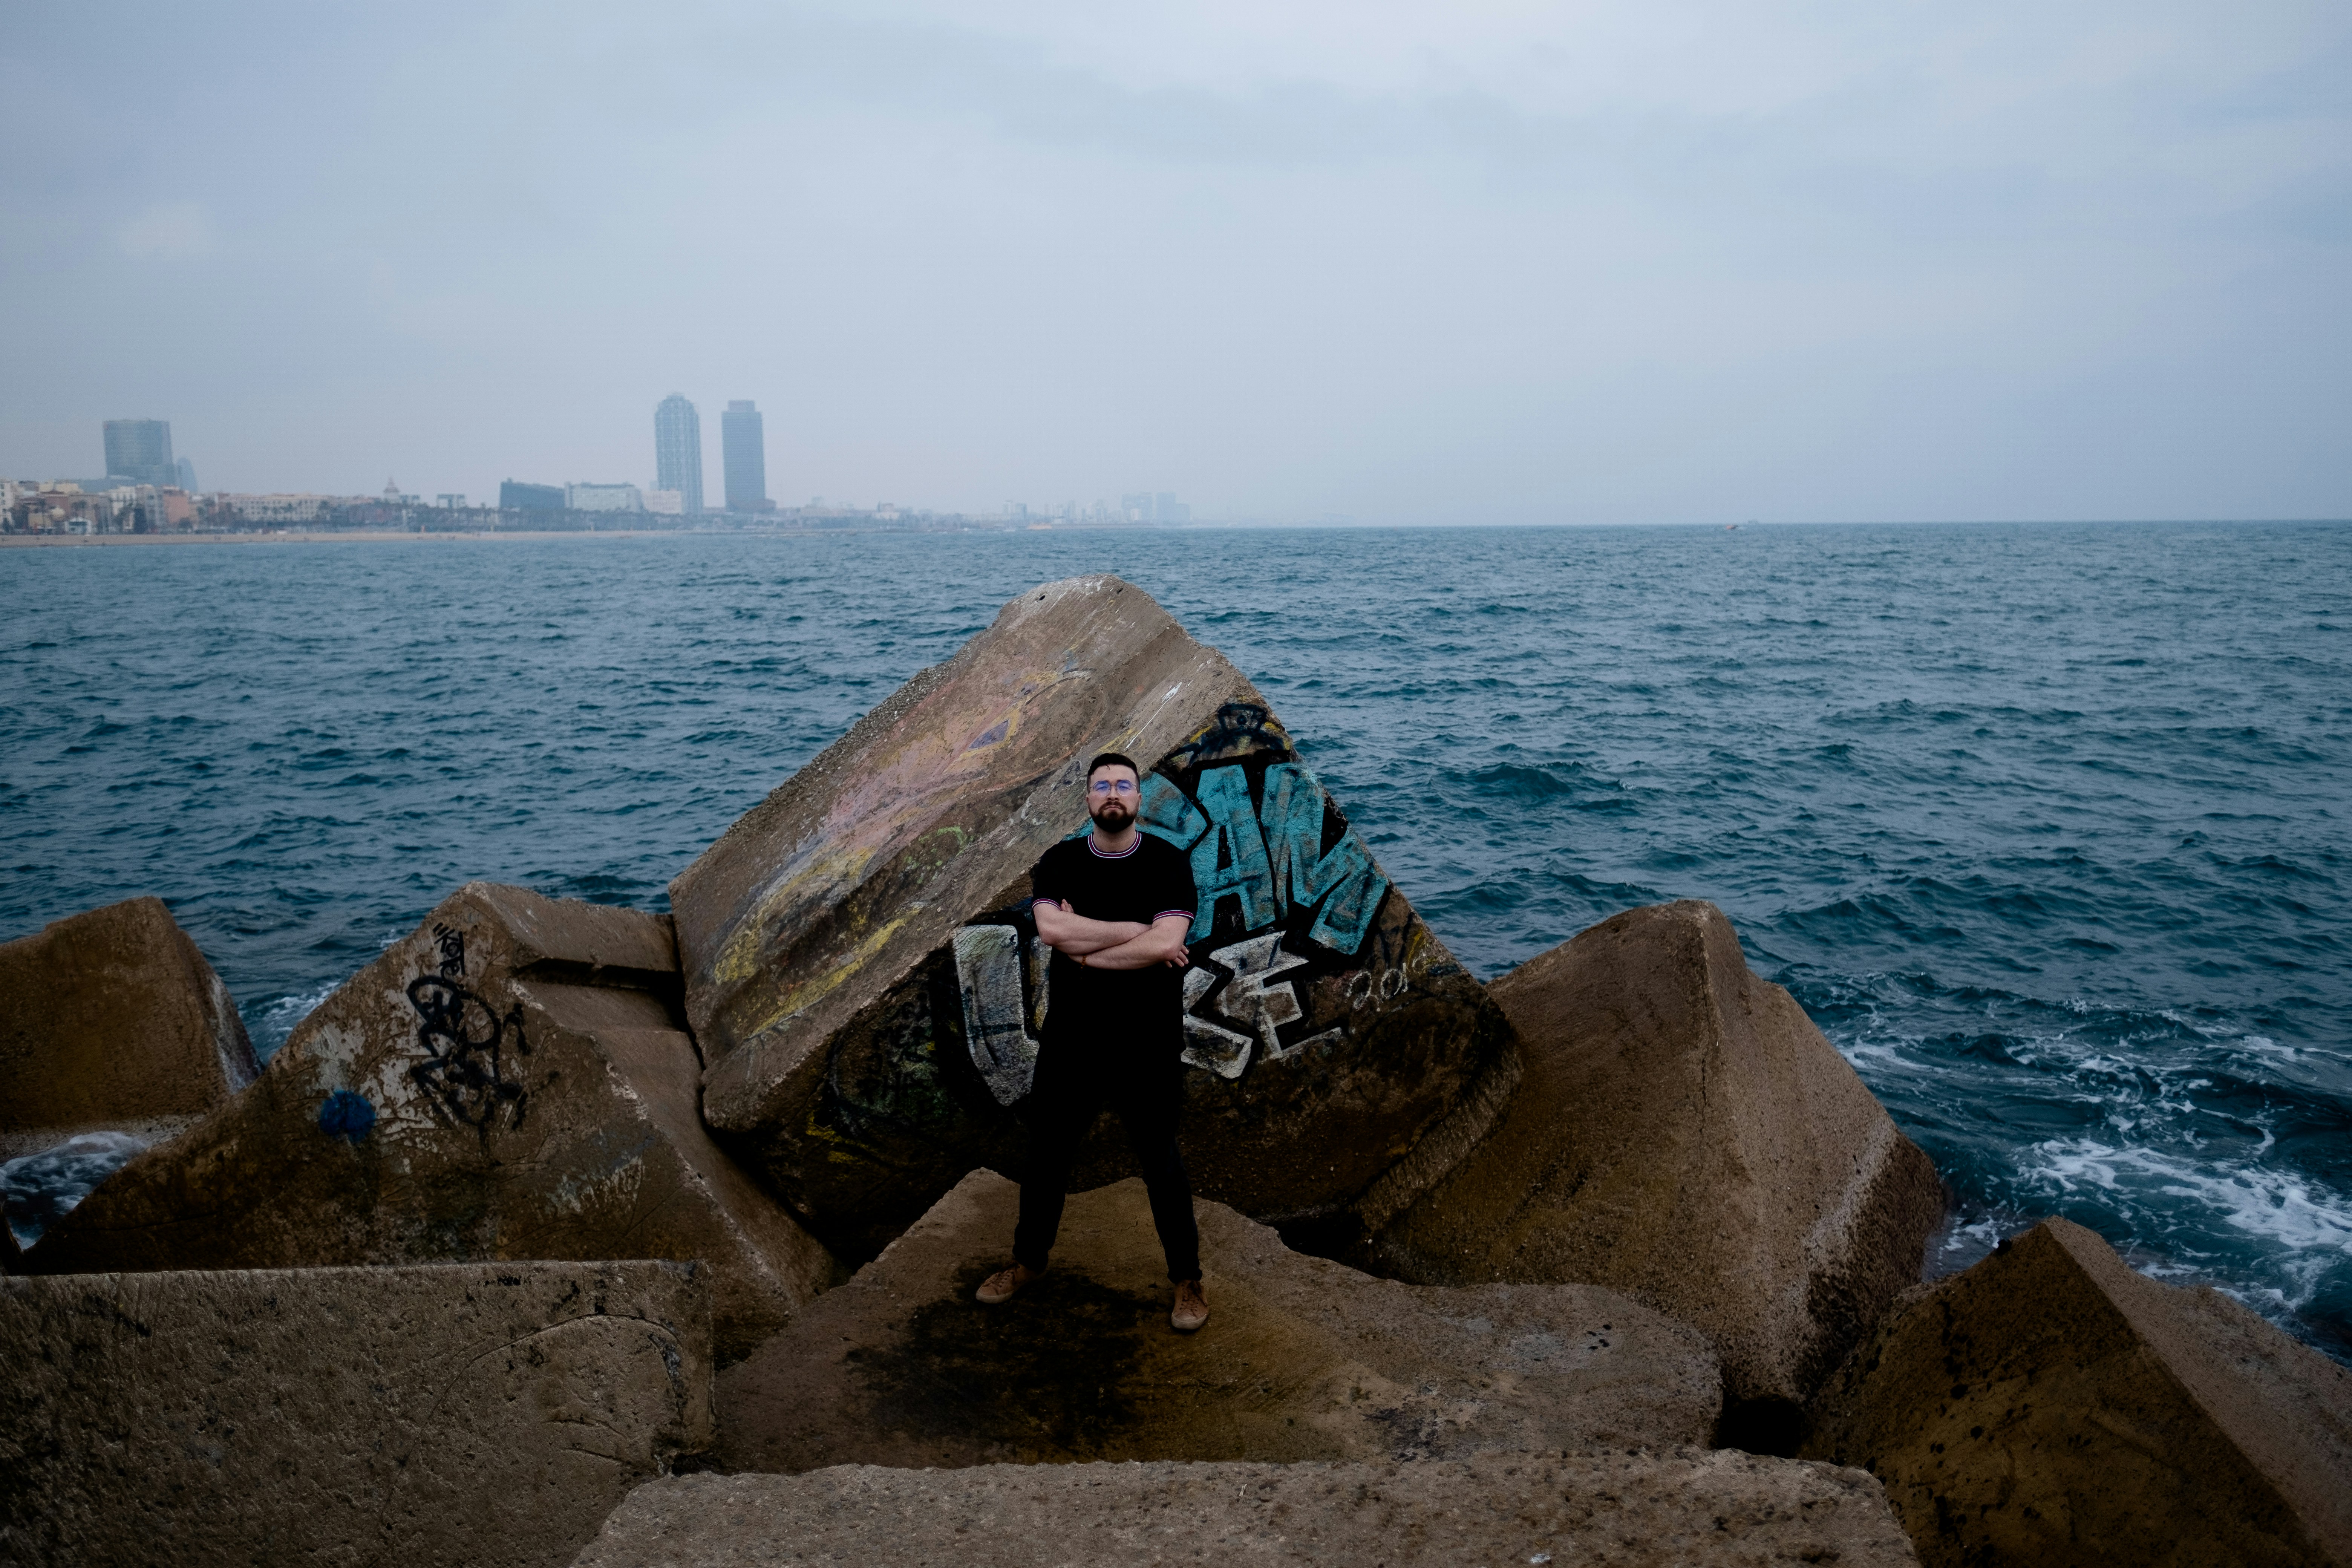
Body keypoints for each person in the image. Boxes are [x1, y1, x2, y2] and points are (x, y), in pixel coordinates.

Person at [975, 750, 1210, 1332]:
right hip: (1072, 1040)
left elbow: (1167, 944)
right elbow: (1053, 929)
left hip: (1147, 1039)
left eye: (1123, 786)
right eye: (1101, 785)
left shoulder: (1167, 862)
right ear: (1087, 799)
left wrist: (1087, 954)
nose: (1113, 794)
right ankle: (1029, 1264)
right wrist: (1136, 933)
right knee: (1047, 1154)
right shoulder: (1059, 861)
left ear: (1139, 798)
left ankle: (1188, 1281)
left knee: (1161, 1161)